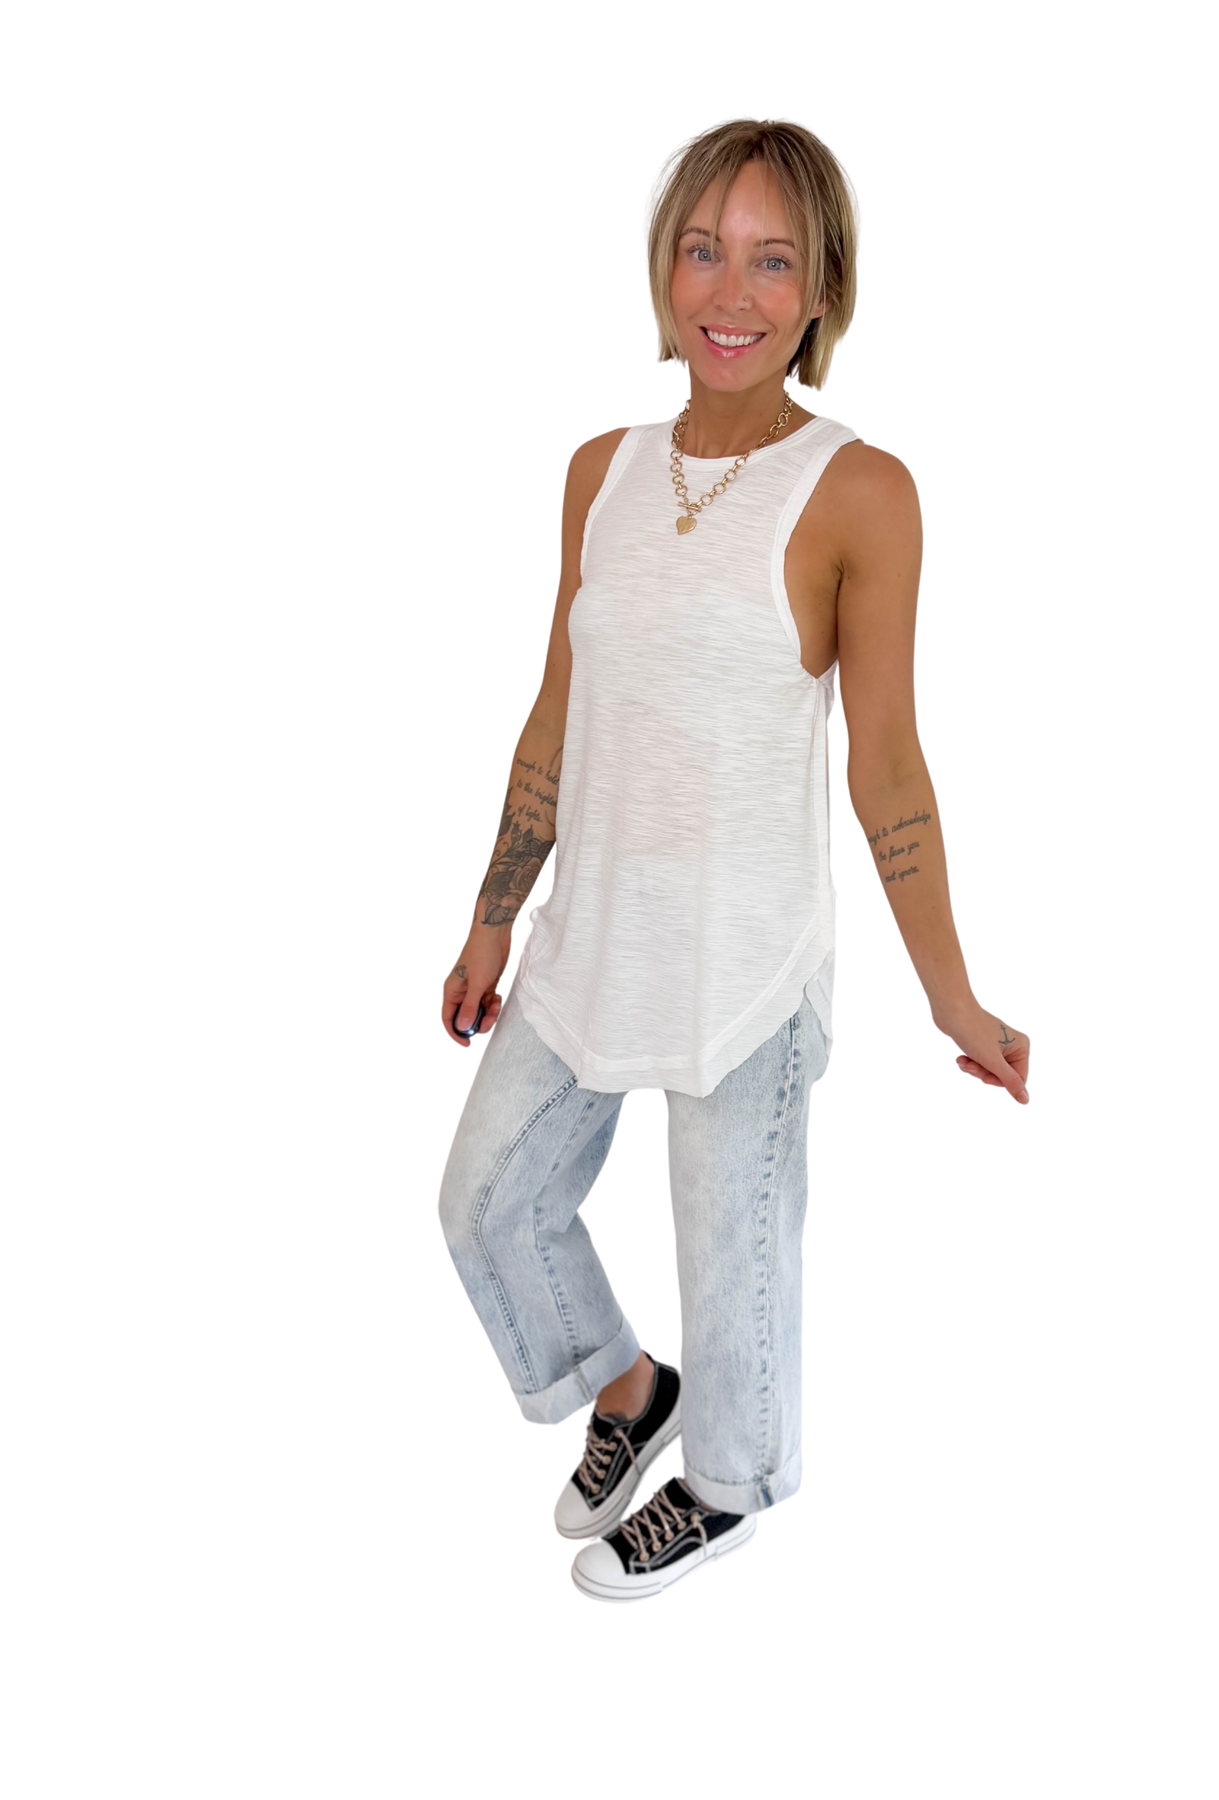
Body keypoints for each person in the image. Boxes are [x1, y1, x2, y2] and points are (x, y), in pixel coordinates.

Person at [437, 117, 1030, 1602]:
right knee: (486, 1205)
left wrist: (952, 999)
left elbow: (886, 766)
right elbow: (558, 708)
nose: (731, 291)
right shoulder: (601, 472)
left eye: (773, 261)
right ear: (664, 268)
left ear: (822, 288)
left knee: (735, 1264)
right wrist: (493, 914)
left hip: (743, 962)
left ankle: (725, 1486)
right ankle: (628, 1388)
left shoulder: (859, 490)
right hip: (588, 938)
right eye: (704, 250)